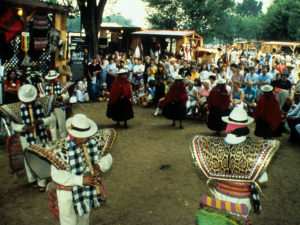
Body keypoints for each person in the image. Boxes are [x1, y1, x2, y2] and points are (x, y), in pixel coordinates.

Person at [50, 114, 113, 225]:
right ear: (72, 134)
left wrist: (100, 165)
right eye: (81, 137)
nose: (85, 140)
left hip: (87, 192)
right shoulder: (60, 149)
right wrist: (81, 180)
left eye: (87, 136)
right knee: (68, 221)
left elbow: (108, 157)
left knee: (84, 219)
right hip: (67, 194)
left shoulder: (92, 142)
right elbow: (56, 175)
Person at [11, 84, 55, 191]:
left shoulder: (42, 105)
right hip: (25, 137)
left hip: (40, 135)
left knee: (41, 156)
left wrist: (42, 121)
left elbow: (52, 118)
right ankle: (32, 179)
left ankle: (42, 181)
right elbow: (13, 125)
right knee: (28, 158)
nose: (29, 102)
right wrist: (24, 127)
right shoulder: (18, 109)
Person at [40, 70, 69, 140]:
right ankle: (54, 139)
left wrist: (61, 97)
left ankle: (63, 139)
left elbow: (67, 96)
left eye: (53, 79)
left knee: (62, 124)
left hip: (59, 107)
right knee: (52, 125)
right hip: (50, 109)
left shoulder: (62, 85)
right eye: (51, 79)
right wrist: (47, 97)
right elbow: (41, 97)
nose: (52, 81)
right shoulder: (45, 86)